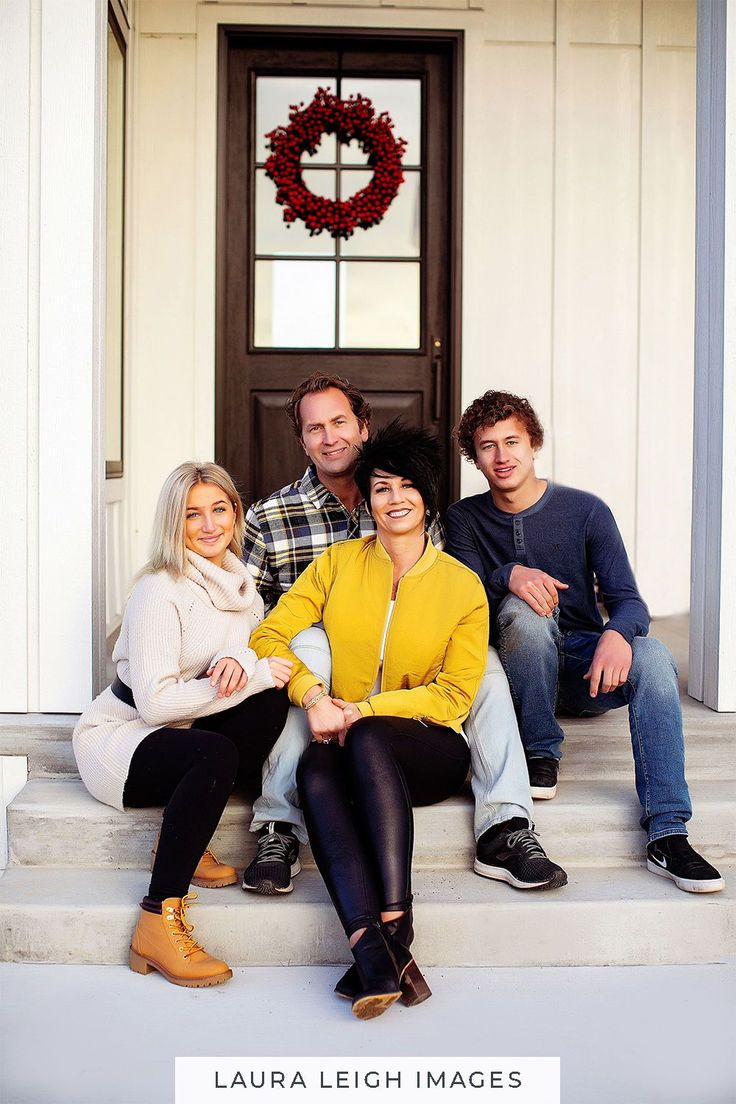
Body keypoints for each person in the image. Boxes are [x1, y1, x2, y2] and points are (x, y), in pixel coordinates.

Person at [242, 373, 566, 896]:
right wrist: (312, 693)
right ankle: (279, 824)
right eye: (315, 428)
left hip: (402, 701)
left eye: (340, 422)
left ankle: (506, 826)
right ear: (302, 440)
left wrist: (370, 709)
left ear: (363, 427)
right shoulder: (284, 524)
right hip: (322, 679)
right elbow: (256, 622)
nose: (329, 437)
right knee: (308, 643)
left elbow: (437, 614)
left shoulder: (443, 563)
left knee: (479, 665)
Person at [250, 422, 488, 1018]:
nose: (395, 499)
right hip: (344, 738)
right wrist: (312, 694)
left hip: (428, 752)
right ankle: (372, 949)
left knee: (372, 735)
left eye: (408, 486)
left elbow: (455, 695)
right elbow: (268, 633)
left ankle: (396, 924)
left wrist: (365, 710)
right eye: (382, 487)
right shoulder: (335, 565)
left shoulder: (463, 587)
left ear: (427, 497)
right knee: (315, 768)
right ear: (369, 498)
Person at [446, 390, 725, 894]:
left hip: (584, 667)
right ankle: (539, 751)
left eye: (513, 441)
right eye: (488, 446)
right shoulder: (463, 519)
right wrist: (508, 573)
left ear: (534, 444)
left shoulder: (586, 510)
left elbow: (628, 600)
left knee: (656, 655)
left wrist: (618, 634)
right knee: (523, 611)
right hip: (512, 675)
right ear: (475, 457)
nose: (502, 456)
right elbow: (464, 603)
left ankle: (668, 831)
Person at [72, 462, 292, 988]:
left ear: (236, 516)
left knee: (268, 705)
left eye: (220, 510)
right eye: (193, 515)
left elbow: (239, 648)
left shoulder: (239, 584)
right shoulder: (159, 589)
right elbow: (153, 704)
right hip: (121, 739)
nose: (209, 525)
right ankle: (157, 920)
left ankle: (179, 839)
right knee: (216, 750)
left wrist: (242, 663)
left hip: (181, 729)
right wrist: (252, 675)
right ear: (174, 523)